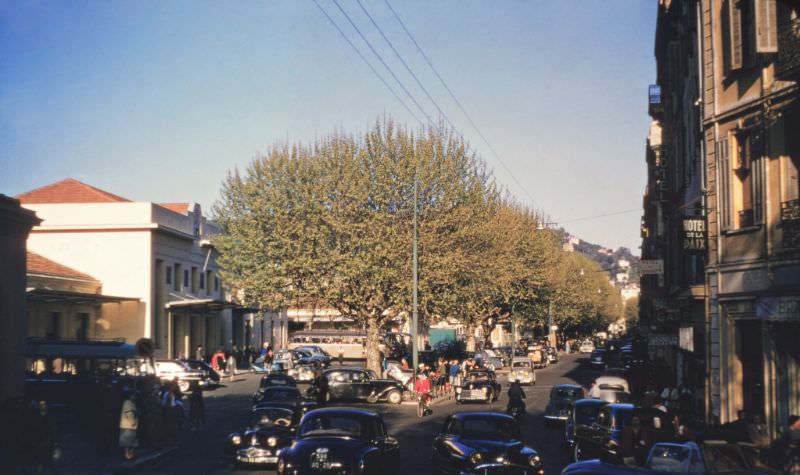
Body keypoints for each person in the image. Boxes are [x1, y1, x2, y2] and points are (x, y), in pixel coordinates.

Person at [119, 391, 139, 460]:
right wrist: (133, 422)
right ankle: (128, 456)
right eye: (133, 396)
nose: (134, 397)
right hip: (129, 425)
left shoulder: (127, 403)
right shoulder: (128, 403)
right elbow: (129, 413)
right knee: (128, 442)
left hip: (127, 425)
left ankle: (129, 456)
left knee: (128, 442)